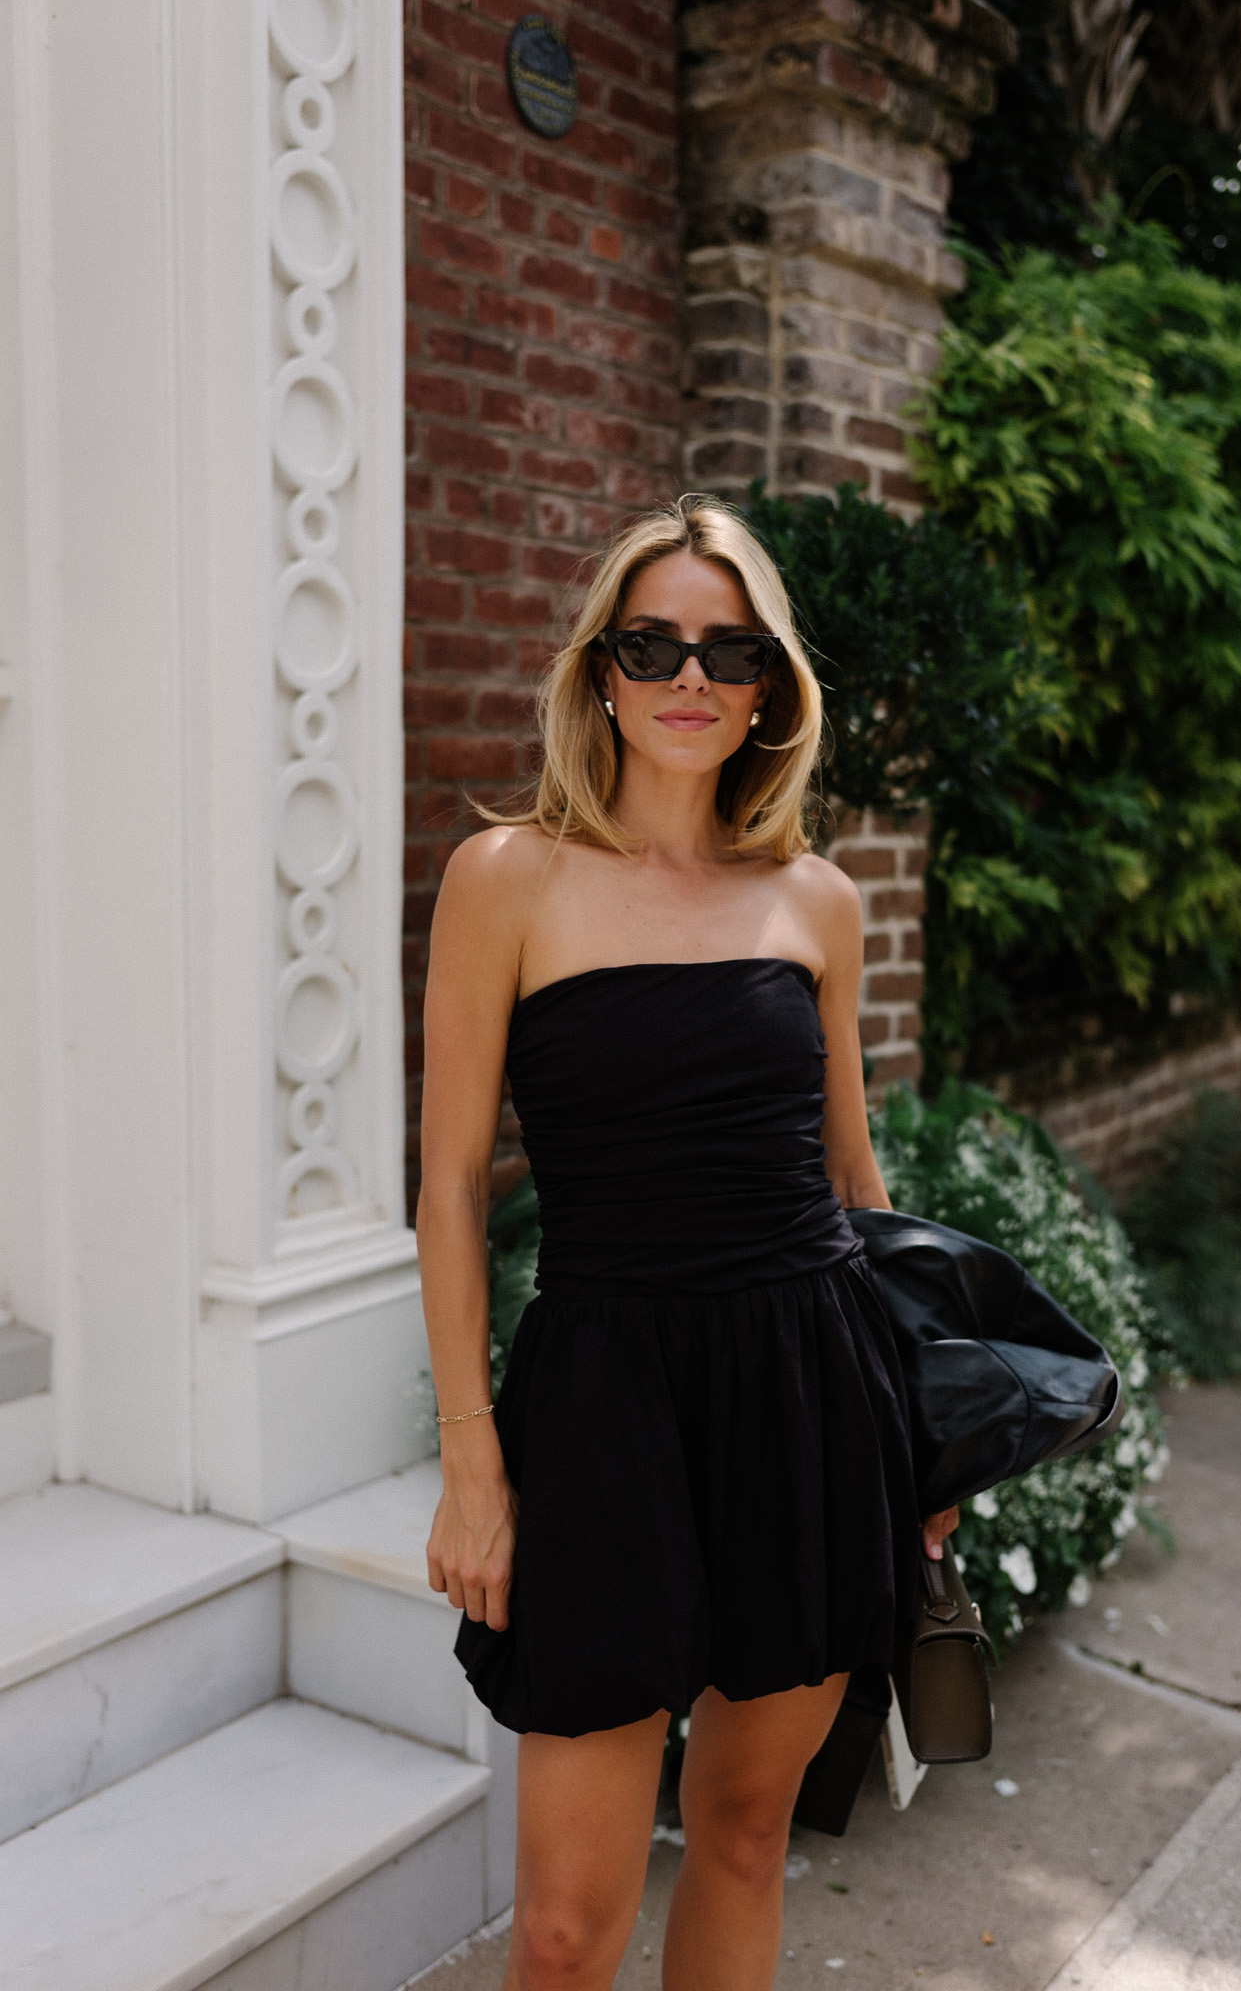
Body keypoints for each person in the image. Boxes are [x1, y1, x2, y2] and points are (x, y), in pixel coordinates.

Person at [417, 496, 958, 1991]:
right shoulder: (508, 880)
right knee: (566, 1926)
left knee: (739, 1839)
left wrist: (920, 1449)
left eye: (729, 649)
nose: (688, 675)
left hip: (810, 1394)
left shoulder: (819, 904)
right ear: (601, 668)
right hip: (602, 1405)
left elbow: (856, 1187)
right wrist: (474, 1459)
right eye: (651, 641)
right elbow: (453, 1184)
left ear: (772, 685)